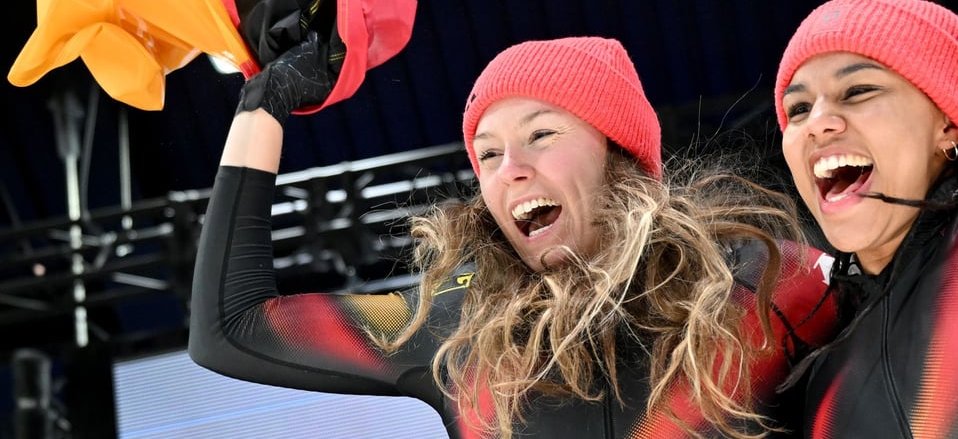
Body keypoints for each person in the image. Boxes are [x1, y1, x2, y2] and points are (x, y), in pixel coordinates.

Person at [189, 34, 839, 439]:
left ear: (618, 152)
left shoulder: (766, 281)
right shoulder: (457, 326)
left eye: (541, 134)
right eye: (489, 154)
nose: (510, 171)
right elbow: (229, 327)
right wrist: (265, 101)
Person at [773, 0, 958, 438]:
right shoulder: (815, 373)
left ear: (949, 122)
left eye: (858, 91)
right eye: (799, 109)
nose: (817, 122)